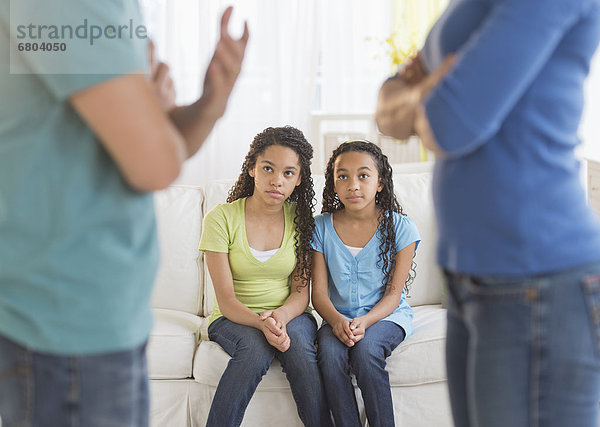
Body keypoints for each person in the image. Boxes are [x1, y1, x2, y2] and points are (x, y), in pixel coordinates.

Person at [0, 1, 248, 425]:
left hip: (103, 319)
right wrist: (154, 118)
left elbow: (150, 149)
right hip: (59, 327)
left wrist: (210, 103)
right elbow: (154, 162)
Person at [375, 1, 600, 426]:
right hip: (470, 275)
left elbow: (450, 123)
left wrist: (422, 98)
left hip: (536, 278)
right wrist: (426, 94)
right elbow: (388, 112)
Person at [198, 126, 332, 427]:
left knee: (298, 349)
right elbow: (227, 299)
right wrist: (262, 322)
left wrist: (280, 317)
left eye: (288, 173)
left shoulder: (302, 221)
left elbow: (301, 292)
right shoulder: (221, 218)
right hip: (233, 317)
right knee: (254, 348)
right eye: (268, 169)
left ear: (299, 180)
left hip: (291, 313)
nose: (276, 180)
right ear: (252, 169)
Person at [311, 140, 421, 427]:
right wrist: (336, 321)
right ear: (333, 184)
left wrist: (367, 321)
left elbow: (394, 293)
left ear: (380, 183)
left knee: (366, 351)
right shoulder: (320, 227)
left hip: (386, 316)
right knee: (330, 356)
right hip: (337, 318)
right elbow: (319, 294)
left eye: (363, 175)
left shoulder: (401, 228)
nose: (353, 185)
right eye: (343, 176)